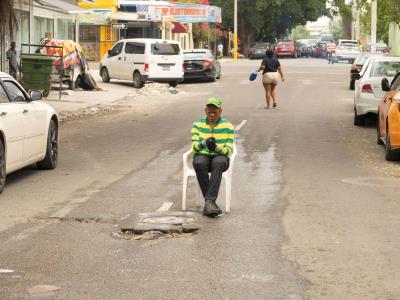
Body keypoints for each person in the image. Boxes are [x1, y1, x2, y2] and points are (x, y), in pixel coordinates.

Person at [191, 97, 235, 217]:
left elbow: (228, 150)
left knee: (218, 162)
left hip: (220, 156)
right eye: (209, 109)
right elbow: (194, 148)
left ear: (220, 111)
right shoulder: (197, 124)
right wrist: (204, 143)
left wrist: (216, 148)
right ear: (205, 110)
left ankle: (209, 202)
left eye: (215, 109)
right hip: (202, 155)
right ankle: (210, 203)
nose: (212, 111)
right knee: (199, 162)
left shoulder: (228, 126)